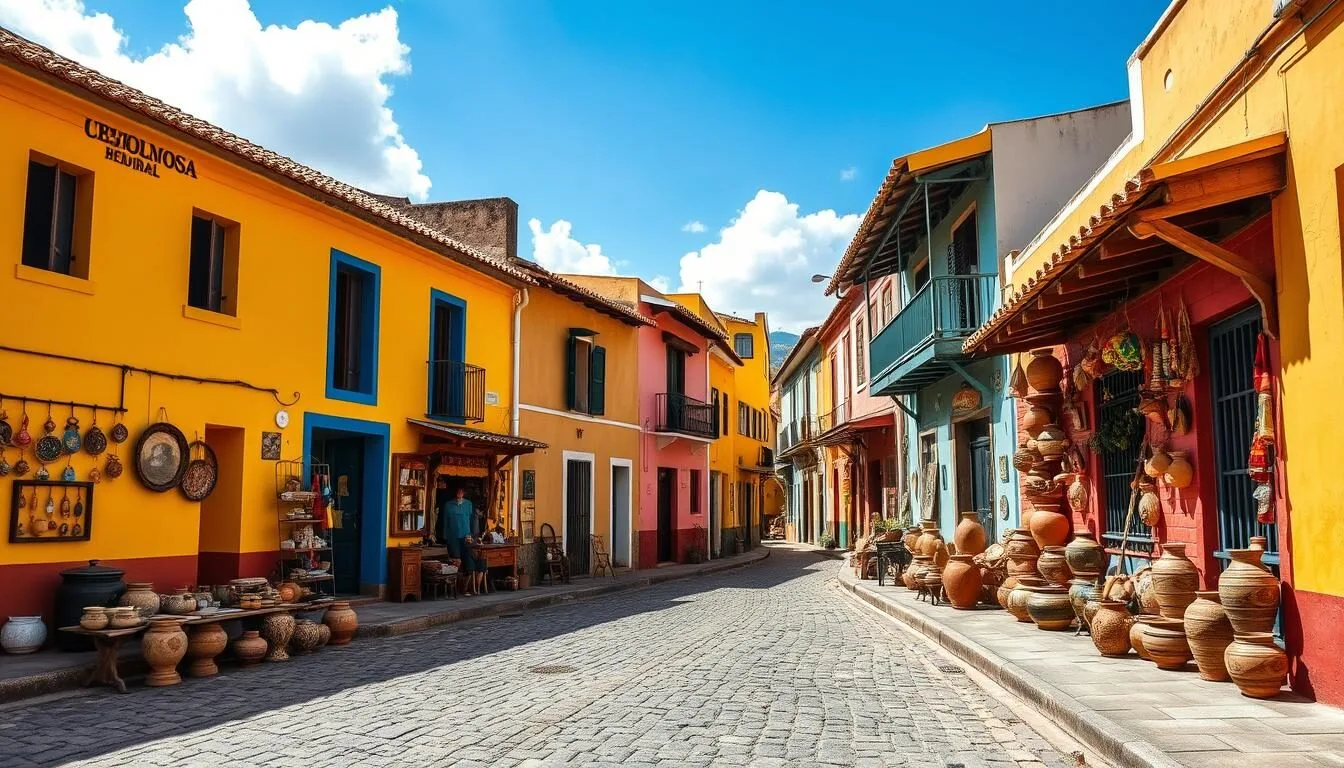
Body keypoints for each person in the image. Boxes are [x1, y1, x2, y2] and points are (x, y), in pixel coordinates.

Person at [444, 486, 473, 560]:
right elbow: (445, 520)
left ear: (464, 493)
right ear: (455, 493)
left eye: (461, 492)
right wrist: (445, 535)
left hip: (465, 533)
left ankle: (467, 570)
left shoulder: (468, 504)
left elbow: (471, 518)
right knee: (455, 556)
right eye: (458, 492)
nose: (460, 493)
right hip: (453, 534)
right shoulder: (448, 504)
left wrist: (470, 533)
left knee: (466, 555)